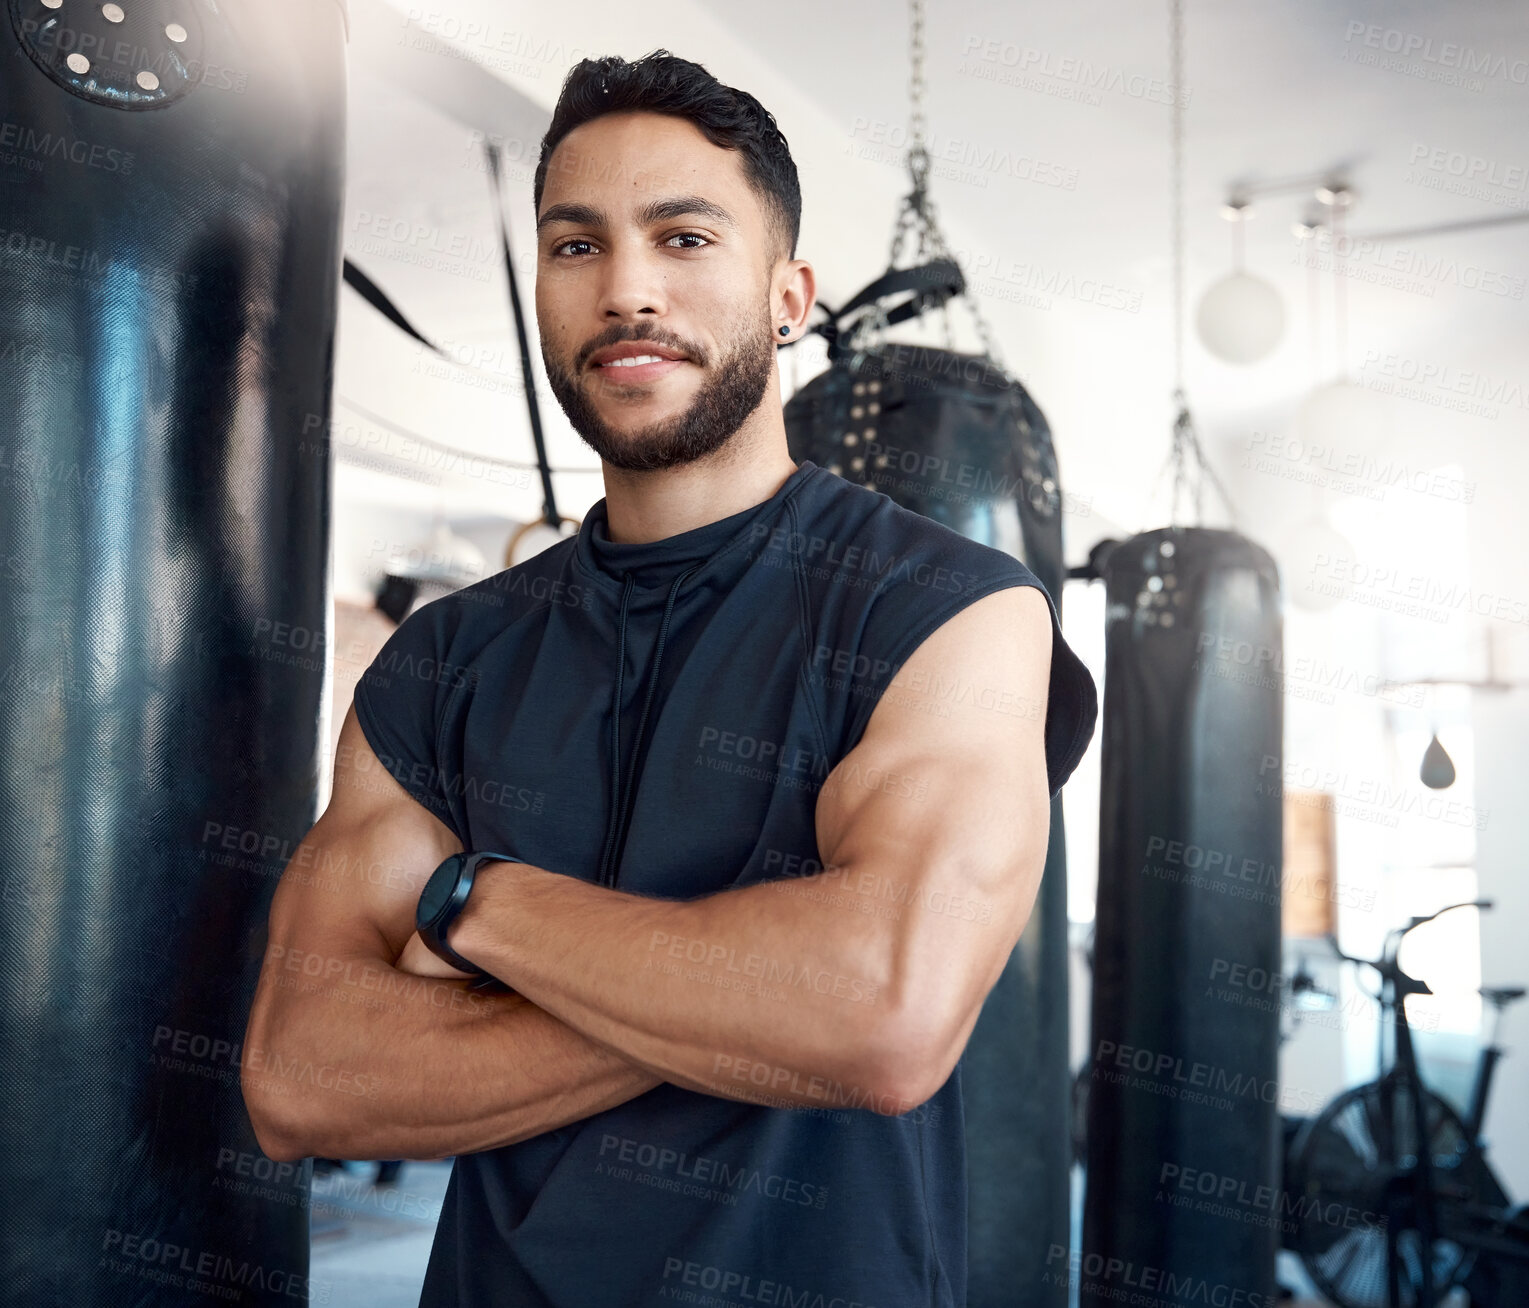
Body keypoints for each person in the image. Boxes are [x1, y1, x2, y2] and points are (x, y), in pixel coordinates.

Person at [243, 49, 1096, 1308]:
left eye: (683, 237)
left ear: (788, 296)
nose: (626, 289)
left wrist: (473, 904)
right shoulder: (441, 661)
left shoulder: (948, 608)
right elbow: (301, 1076)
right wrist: (755, 995)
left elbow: (881, 1017)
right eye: (575, 247)